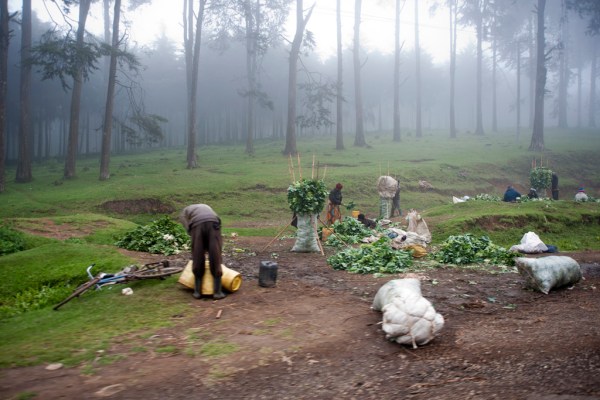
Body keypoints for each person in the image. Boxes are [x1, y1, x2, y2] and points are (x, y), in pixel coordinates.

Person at [180, 204, 226, 300]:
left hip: (197, 224)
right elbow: (218, 219)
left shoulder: (185, 212)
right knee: (215, 253)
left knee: (198, 254)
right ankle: (217, 292)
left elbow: (184, 222)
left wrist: (191, 232)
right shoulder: (207, 207)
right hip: (213, 222)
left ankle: (197, 292)